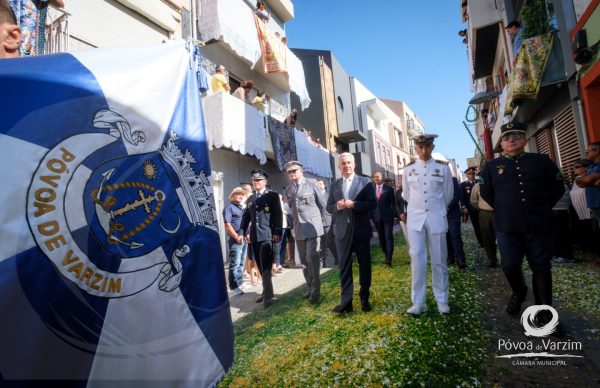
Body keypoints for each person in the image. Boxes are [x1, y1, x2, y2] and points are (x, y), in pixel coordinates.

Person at [479, 122, 564, 324]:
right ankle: (519, 291)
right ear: (502, 143)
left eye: (516, 135)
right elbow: (486, 193)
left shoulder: (542, 161)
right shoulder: (491, 166)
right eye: (507, 137)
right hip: (507, 226)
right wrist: (507, 209)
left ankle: (545, 312)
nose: (511, 139)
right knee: (509, 265)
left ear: (525, 138)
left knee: (541, 267)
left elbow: (557, 187)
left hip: (538, 225)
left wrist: (541, 207)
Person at [403, 134, 454, 315]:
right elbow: (407, 195)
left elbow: (448, 194)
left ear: (432, 147)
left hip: (436, 217)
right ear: (415, 148)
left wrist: (437, 208)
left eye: (427, 147)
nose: (423, 151)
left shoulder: (443, 168)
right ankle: (418, 302)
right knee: (417, 259)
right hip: (415, 218)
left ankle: (442, 300)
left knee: (439, 259)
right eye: (420, 147)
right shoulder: (408, 170)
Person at [326, 153, 377, 313]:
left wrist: (354, 204)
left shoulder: (365, 182)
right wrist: (338, 207)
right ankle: (346, 302)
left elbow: (372, 204)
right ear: (339, 166)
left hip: (360, 231)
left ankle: (364, 298)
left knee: (364, 265)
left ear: (354, 165)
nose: (346, 165)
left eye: (349, 162)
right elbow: (329, 207)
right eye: (343, 163)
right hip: (342, 232)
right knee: (344, 267)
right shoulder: (335, 185)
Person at [284, 161, 326, 304]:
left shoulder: (312, 183)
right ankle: (310, 287)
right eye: (289, 172)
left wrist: (320, 223)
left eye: (294, 171)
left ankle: (315, 291)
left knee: (311, 257)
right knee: (303, 262)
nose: (292, 174)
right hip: (299, 230)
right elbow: (292, 210)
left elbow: (323, 205)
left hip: (313, 227)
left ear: (301, 170)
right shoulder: (288, 190)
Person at [240, 169, 282, 307]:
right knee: (259, 265)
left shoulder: (272, 195)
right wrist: (241, 231)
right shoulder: (251, 199)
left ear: (265, 182)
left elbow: (278, 214)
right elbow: (246, 217)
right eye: (254, 180)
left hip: (267, 235)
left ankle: (268, 296)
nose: (256, 182)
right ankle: (266, 291)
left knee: (266, 267)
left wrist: (277, 232)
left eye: (258, 180)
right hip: (255, 237)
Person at [223, 187, 248, 295]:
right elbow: (227, 225)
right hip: (235, 239)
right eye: (238, 194)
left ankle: (239, 282)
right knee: (235, 263)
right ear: (232, 196)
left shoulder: (241, 208)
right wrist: (236, 236)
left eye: (242, 195)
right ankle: (233, 287)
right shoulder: (229, 208)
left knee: (242, 263)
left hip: (243, 238)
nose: (241, 196)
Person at [371, 171, 397, 266]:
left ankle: (389, 257)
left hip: (388, 217)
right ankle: (386, 253)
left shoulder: (389, 189)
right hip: (376, 217)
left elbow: (393, 203)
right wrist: (371, 217)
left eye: (378, 177)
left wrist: (395, 215)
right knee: (381, 238)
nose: (376, 178)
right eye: (374, 177)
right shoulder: (371, 189)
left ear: (382, 177)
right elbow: (371, 204)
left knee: (388, 237)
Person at [470, 182, 498, 267]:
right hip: (484, 213)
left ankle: (507, 258)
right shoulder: (477, 186)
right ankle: (492, 258)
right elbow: (473, 201)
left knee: (503, 236)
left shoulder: (497, 181)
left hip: (499, 212)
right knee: (486, 236)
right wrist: (481, 208)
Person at [570, 159, 595, 251]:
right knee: (585, 231)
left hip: (590, 210)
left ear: (586, 167)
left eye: (577, 167)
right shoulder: (577, 179)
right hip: (579, 211)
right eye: (574, 167)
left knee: (594, 231)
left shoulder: (590, 178)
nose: (574, 169)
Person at [575, 142, 600, 226]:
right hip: (594, 206)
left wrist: (587, 181)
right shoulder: (590, 167)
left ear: (596, 151)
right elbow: (579, 182)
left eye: (587, 151)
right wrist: (590, 181)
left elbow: (587, 180)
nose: (586, 154)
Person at [316, 178, 337, 267]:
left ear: (324, 185)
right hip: (317, 222)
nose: (319, 186)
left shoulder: (329, 195)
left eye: (320, 184)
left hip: (328, 221)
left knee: (330, 242)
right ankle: (322, 261)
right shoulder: (314, 195)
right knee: (320, 243)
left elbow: (333, 208)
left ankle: (337, 257)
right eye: (317, 184)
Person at [446, 175, 466, 269]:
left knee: (455, 236)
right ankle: (450, 257)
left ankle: (460, 259)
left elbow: (458, 195)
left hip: (453, 213)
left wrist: (448, 207)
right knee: (446, 237)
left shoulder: (452, 180)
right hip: (440, 215)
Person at [460, 167, 483, 247]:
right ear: (466, 175)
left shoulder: (479, 182)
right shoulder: (463, 185)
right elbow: (462, 197)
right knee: (476, 226)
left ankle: (488, 241)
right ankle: (481, 242)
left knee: (484, 225)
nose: (472, 175)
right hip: (471, 209)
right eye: (469, 174)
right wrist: (464, 207)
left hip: (481, 208)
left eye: (473, 173)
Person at [395, 171, 410, 250]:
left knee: (413, 236)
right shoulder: (397, 192)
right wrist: (400, 214)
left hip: (411, 216)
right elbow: (396, 205)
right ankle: (411, 255)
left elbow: (412, 203)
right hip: (402, 218)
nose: (398, 181)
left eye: (400, 179)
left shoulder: (410, 190)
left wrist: (406, 214)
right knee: (406, 235)